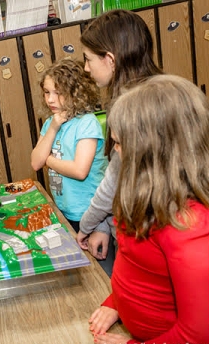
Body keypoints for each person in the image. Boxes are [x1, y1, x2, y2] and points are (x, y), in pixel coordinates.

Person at [89, 75, 209, 344]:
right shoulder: (154, 192)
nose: (116, 152)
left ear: (156, 153)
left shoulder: (197, 229)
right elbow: (142, 264)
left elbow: (202, 341)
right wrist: (118, 301)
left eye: (120, 144)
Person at [75, 9, 163, 272]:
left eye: (89, 59)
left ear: (110, 59)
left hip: (147, 245)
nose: (86, 68)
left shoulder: (132, 107)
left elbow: (113, 181)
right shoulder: (160, 90)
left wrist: (87, 226)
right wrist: (103, 225)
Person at [31, 58, 106, 232]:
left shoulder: (86, 123)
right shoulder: (50, 122)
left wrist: (47, 159)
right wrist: (54, 127)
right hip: (63, 209)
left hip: (89, 213)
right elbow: (35, 162)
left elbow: (79, 171)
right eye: (46, 92)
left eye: (58, 93)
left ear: (76, 92)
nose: (50, 99)